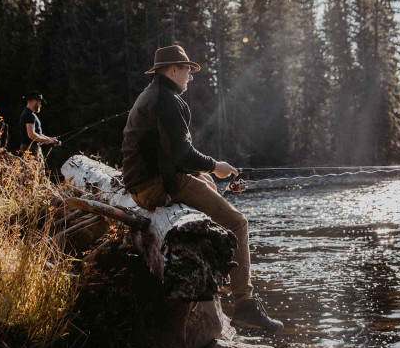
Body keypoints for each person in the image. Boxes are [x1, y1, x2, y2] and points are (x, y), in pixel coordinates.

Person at [121, 45, 284, 332]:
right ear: (172, 70)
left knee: (209, 190)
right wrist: (215, 167)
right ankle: (245, 305)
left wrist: (201, 175)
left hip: (141, 186)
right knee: (237, 222)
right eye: (187, 70)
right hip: (156, 187)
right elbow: (182, 154)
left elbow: (166, 152)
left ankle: (217, 282)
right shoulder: (168, 100)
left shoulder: (151, 95)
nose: (190, 77)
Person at [19, 91, 59, 157]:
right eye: (40, 102)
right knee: (34, 167)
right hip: (31, 149)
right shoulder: (29, 114)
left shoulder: (30, 113)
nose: (41, 105)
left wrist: (50, 139)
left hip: (32, 148)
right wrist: (46, 140)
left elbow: (37, 133)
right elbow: (31, 135)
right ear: (34, 101)